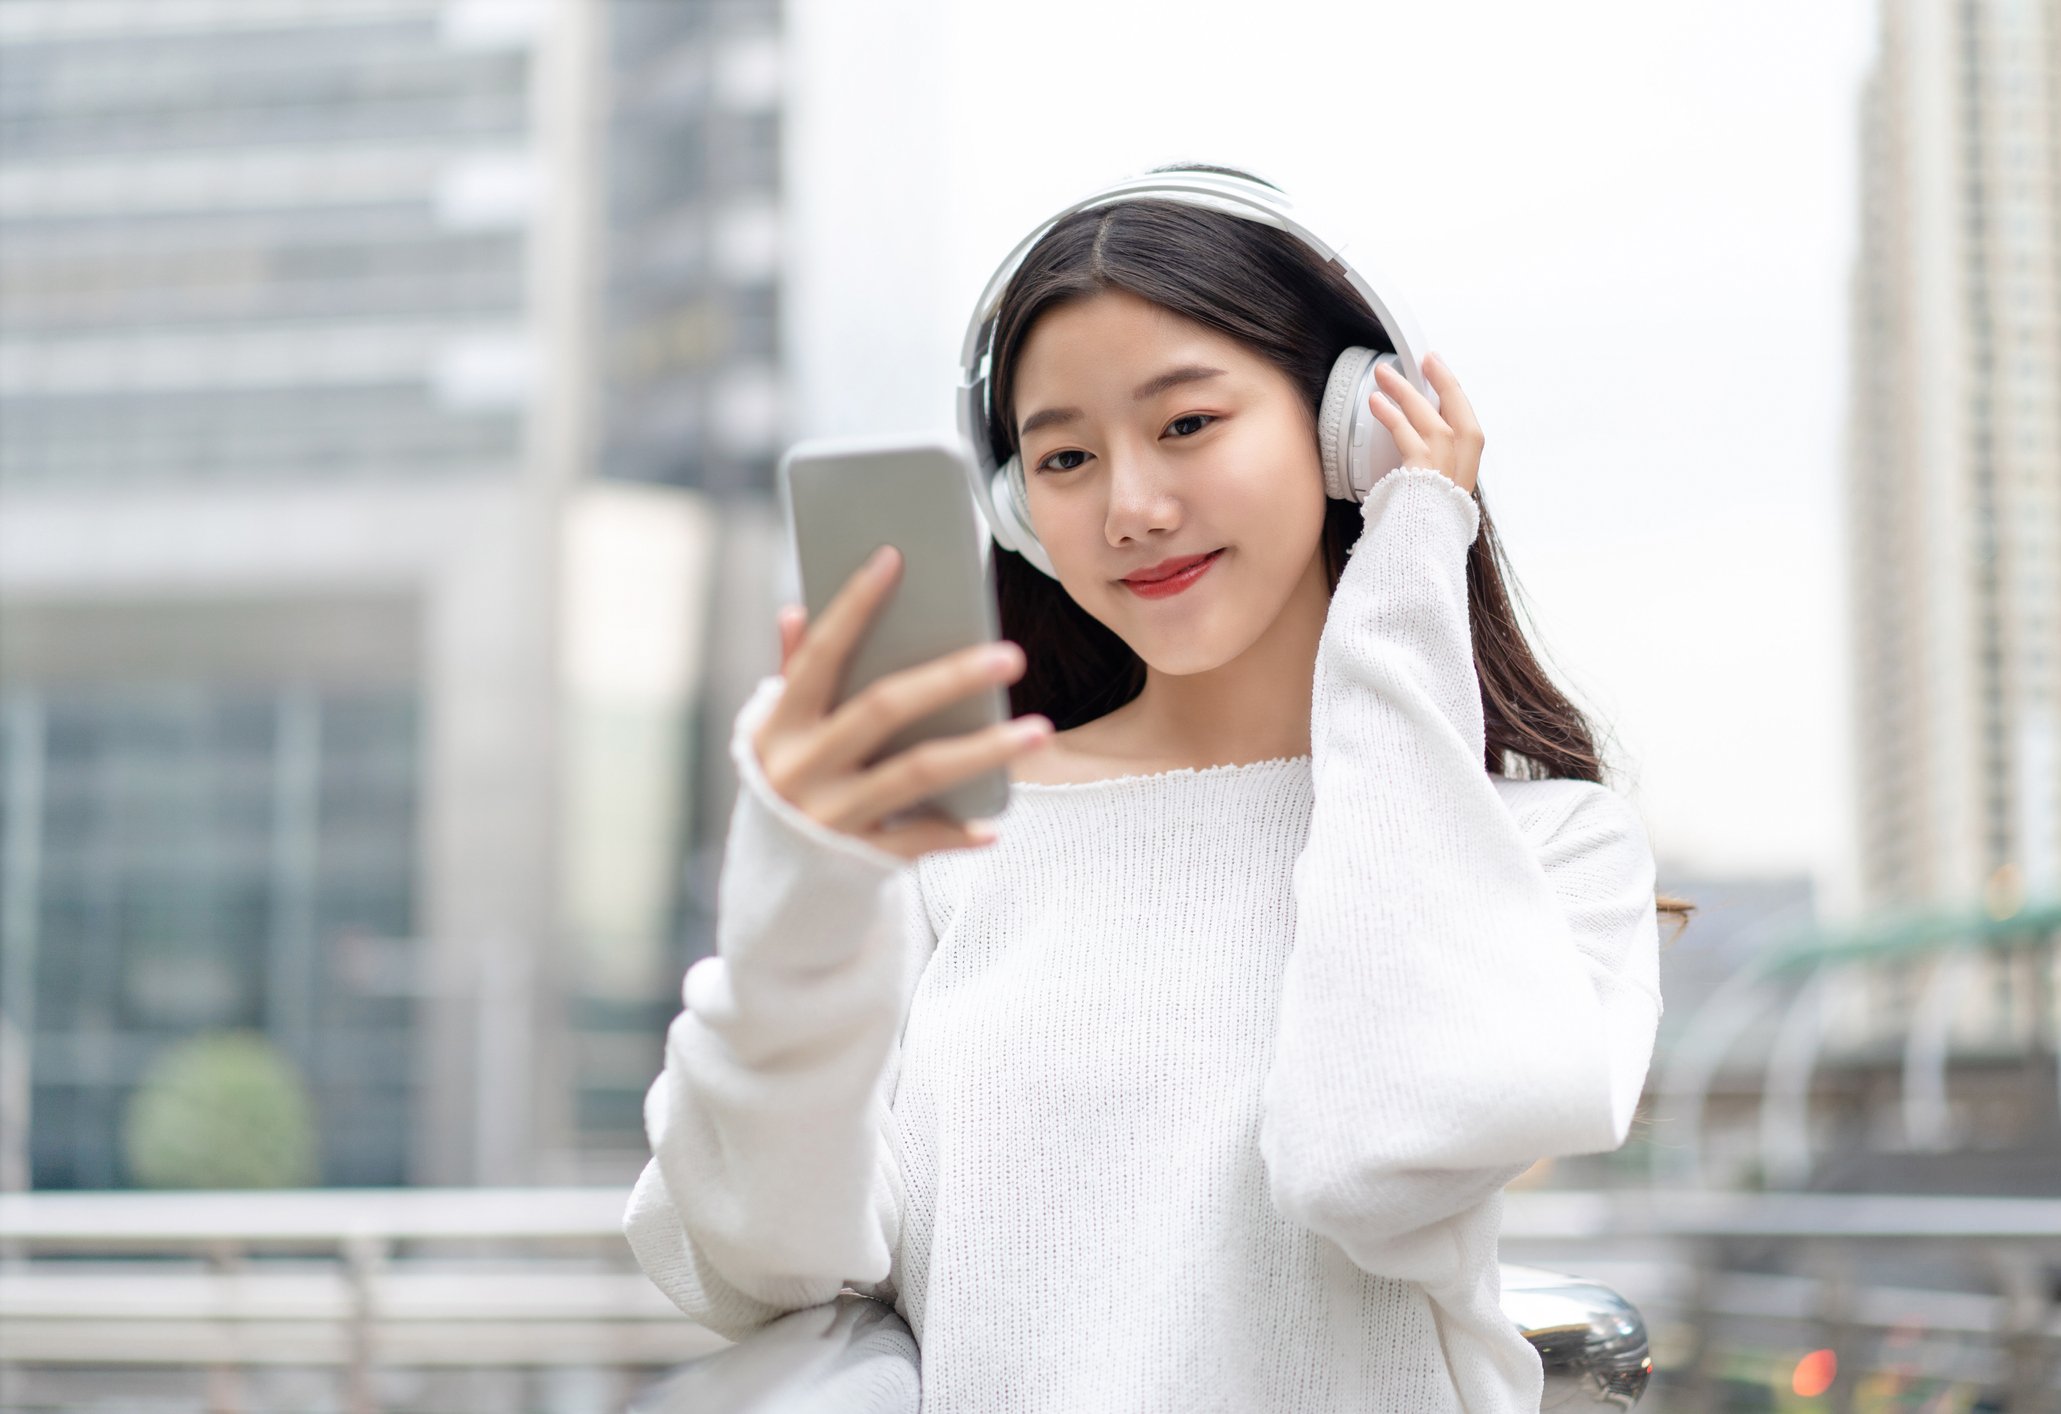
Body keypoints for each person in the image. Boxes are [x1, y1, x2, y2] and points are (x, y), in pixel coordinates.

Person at [624, 162, 1691, 1411]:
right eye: (1066, 457)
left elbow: (1377, 1149)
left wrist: (1412, 561)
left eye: (1187, 424)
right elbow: (750, 1259)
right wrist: (804, 885)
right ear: (1020, 511)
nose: (1131, 507)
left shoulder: (1549, 848)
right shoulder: (955, 843)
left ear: (1347, 428)